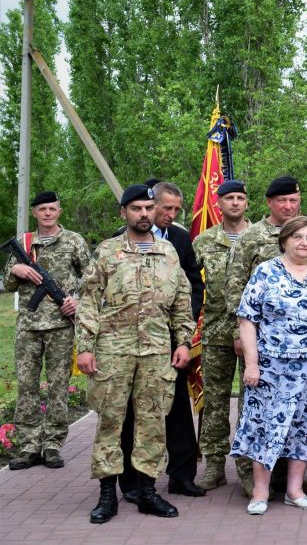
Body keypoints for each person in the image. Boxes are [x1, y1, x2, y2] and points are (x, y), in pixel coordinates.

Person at [76, 184, 195, 523]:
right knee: (111, 422)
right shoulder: (107, 252)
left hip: (157, 352)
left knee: (152, 423)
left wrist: (184, 341)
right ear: (124, 213)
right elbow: (87, 302)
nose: (143, 214)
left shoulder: (169, 252)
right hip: (113, 351)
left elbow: (182, 305)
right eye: (136, 209)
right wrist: (84, 348)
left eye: (148, 208)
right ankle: (107, 496)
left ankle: (147, 492)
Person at [231, 216, 307, 516]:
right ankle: (260, 490)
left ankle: (294, 489)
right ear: (284, 240)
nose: (304, 243)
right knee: (266, 426)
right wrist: (251, 363)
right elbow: (247, 319)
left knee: (306, 426)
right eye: (297, 237)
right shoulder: (266, 271)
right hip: (273, 368)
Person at [118, 181, 206, 501]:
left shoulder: (180, 239)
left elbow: (194, 285)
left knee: (178, 408)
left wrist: (184, 325)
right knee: (133, 410)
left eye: (176, 210)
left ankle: (181, 476)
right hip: (133, 339)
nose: (170, 215)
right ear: (149, 205)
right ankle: (130, 481)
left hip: (173, 338)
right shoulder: (118, 242)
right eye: (165, 208)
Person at [223, 174, 305, 497]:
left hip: (295, 343)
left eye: (293, 201)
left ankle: (284, 477)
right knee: (255, 410)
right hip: (259, 341)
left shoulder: (304, 233)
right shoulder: (252, 237)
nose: (288, 206)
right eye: (282, 201)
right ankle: (249, 475)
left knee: (291, 410)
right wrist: (239, 335)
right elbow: (235, 288)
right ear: (269, 203)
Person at [3, 191, 91, 471]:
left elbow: (91, 278)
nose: (48, 214)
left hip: (61, 327)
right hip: (28, 327)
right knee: (27, 387)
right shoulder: (26, 244)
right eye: (42, 209)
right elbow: (8, 285)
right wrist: (16, 269)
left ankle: (52, 444)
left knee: (57, 387)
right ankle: (28, 446)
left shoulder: (74, 241)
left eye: (52, 209)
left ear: (59, 211)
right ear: (35, 213)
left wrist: (76, 301)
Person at [193, 179, 250, 490]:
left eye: (241, 198)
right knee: (215, 403)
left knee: (250, 402)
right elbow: (190, 282)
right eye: (229, 198)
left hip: (253, 334)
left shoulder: (261, 238)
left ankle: (247, 467)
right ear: (219, 204)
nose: (236, 203)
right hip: (215, 332)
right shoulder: (204, 241)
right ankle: (214, 464)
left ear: (247, 203)